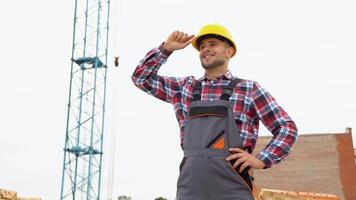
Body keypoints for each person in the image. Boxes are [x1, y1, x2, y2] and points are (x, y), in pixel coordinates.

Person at [131, 23, 298, 200]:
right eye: (202, 47)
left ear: (229, 52)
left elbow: (286, 128)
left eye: (212, 44)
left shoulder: (248, 89)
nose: (205, 50)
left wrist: (262, 159)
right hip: (190, 188)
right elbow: (141, 78)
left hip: (232, 187)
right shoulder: (183, 89)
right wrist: (166, 49)